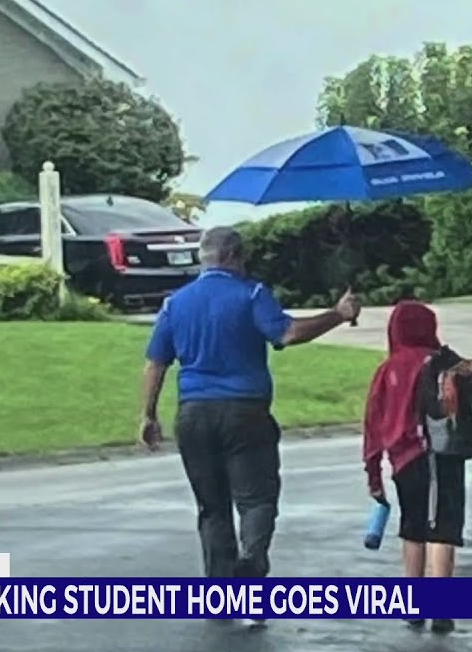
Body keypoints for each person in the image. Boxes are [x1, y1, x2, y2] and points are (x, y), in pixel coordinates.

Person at [138, 226, 361, 598]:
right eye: (243, 258)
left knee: (212, 507)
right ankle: (252, 563)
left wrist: (148, 414)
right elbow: (288, 333)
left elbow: (155, 364)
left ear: (204, 258)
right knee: (256, 499)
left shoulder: (176, 304)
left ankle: (219, 592)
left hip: (193, 414)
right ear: (232, 257)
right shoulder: (252, 294)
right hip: (245, 412)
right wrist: (337, 314)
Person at [362, 301, 465, 634]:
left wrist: (374, 474)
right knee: (444, 528)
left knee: (413, 527)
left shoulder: (388, 370)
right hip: (446, 455)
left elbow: (373, 425)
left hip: (405, 460)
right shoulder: (446, 364)